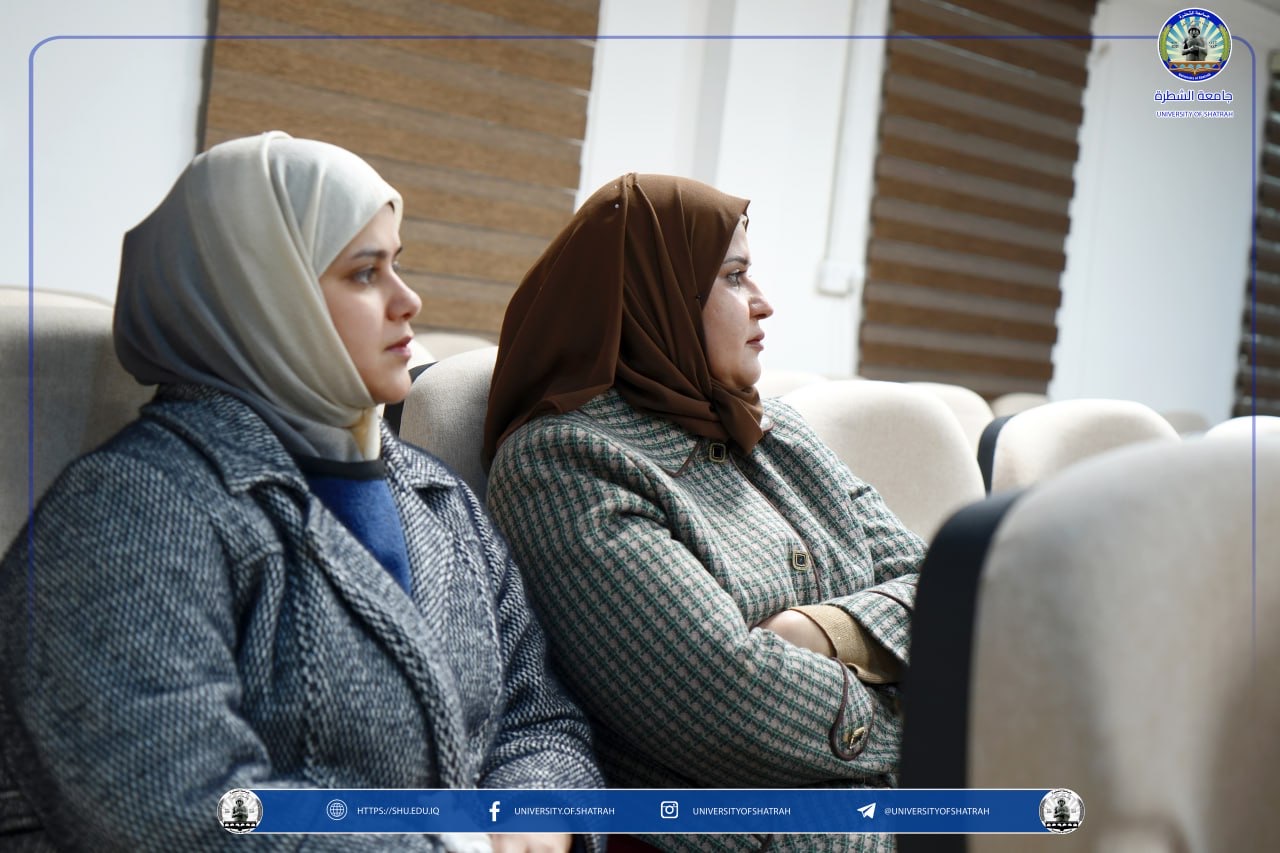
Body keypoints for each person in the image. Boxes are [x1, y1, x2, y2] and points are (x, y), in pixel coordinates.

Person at [0, 132, 602, 853]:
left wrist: (535, 817)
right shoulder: (126, 509)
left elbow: (542, 720)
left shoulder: (438, 496)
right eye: (364, 273)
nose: (408, 300)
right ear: (260, 296)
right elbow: (183, 809)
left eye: (397, 264)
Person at [483, 174, 926, 852]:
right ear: (654, 295)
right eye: (735, 277)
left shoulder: (774, 429)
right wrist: (934, 711)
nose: (765, 303)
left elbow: (939, 590)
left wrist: (821, 631)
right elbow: (730, 703)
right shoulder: (563, 463)